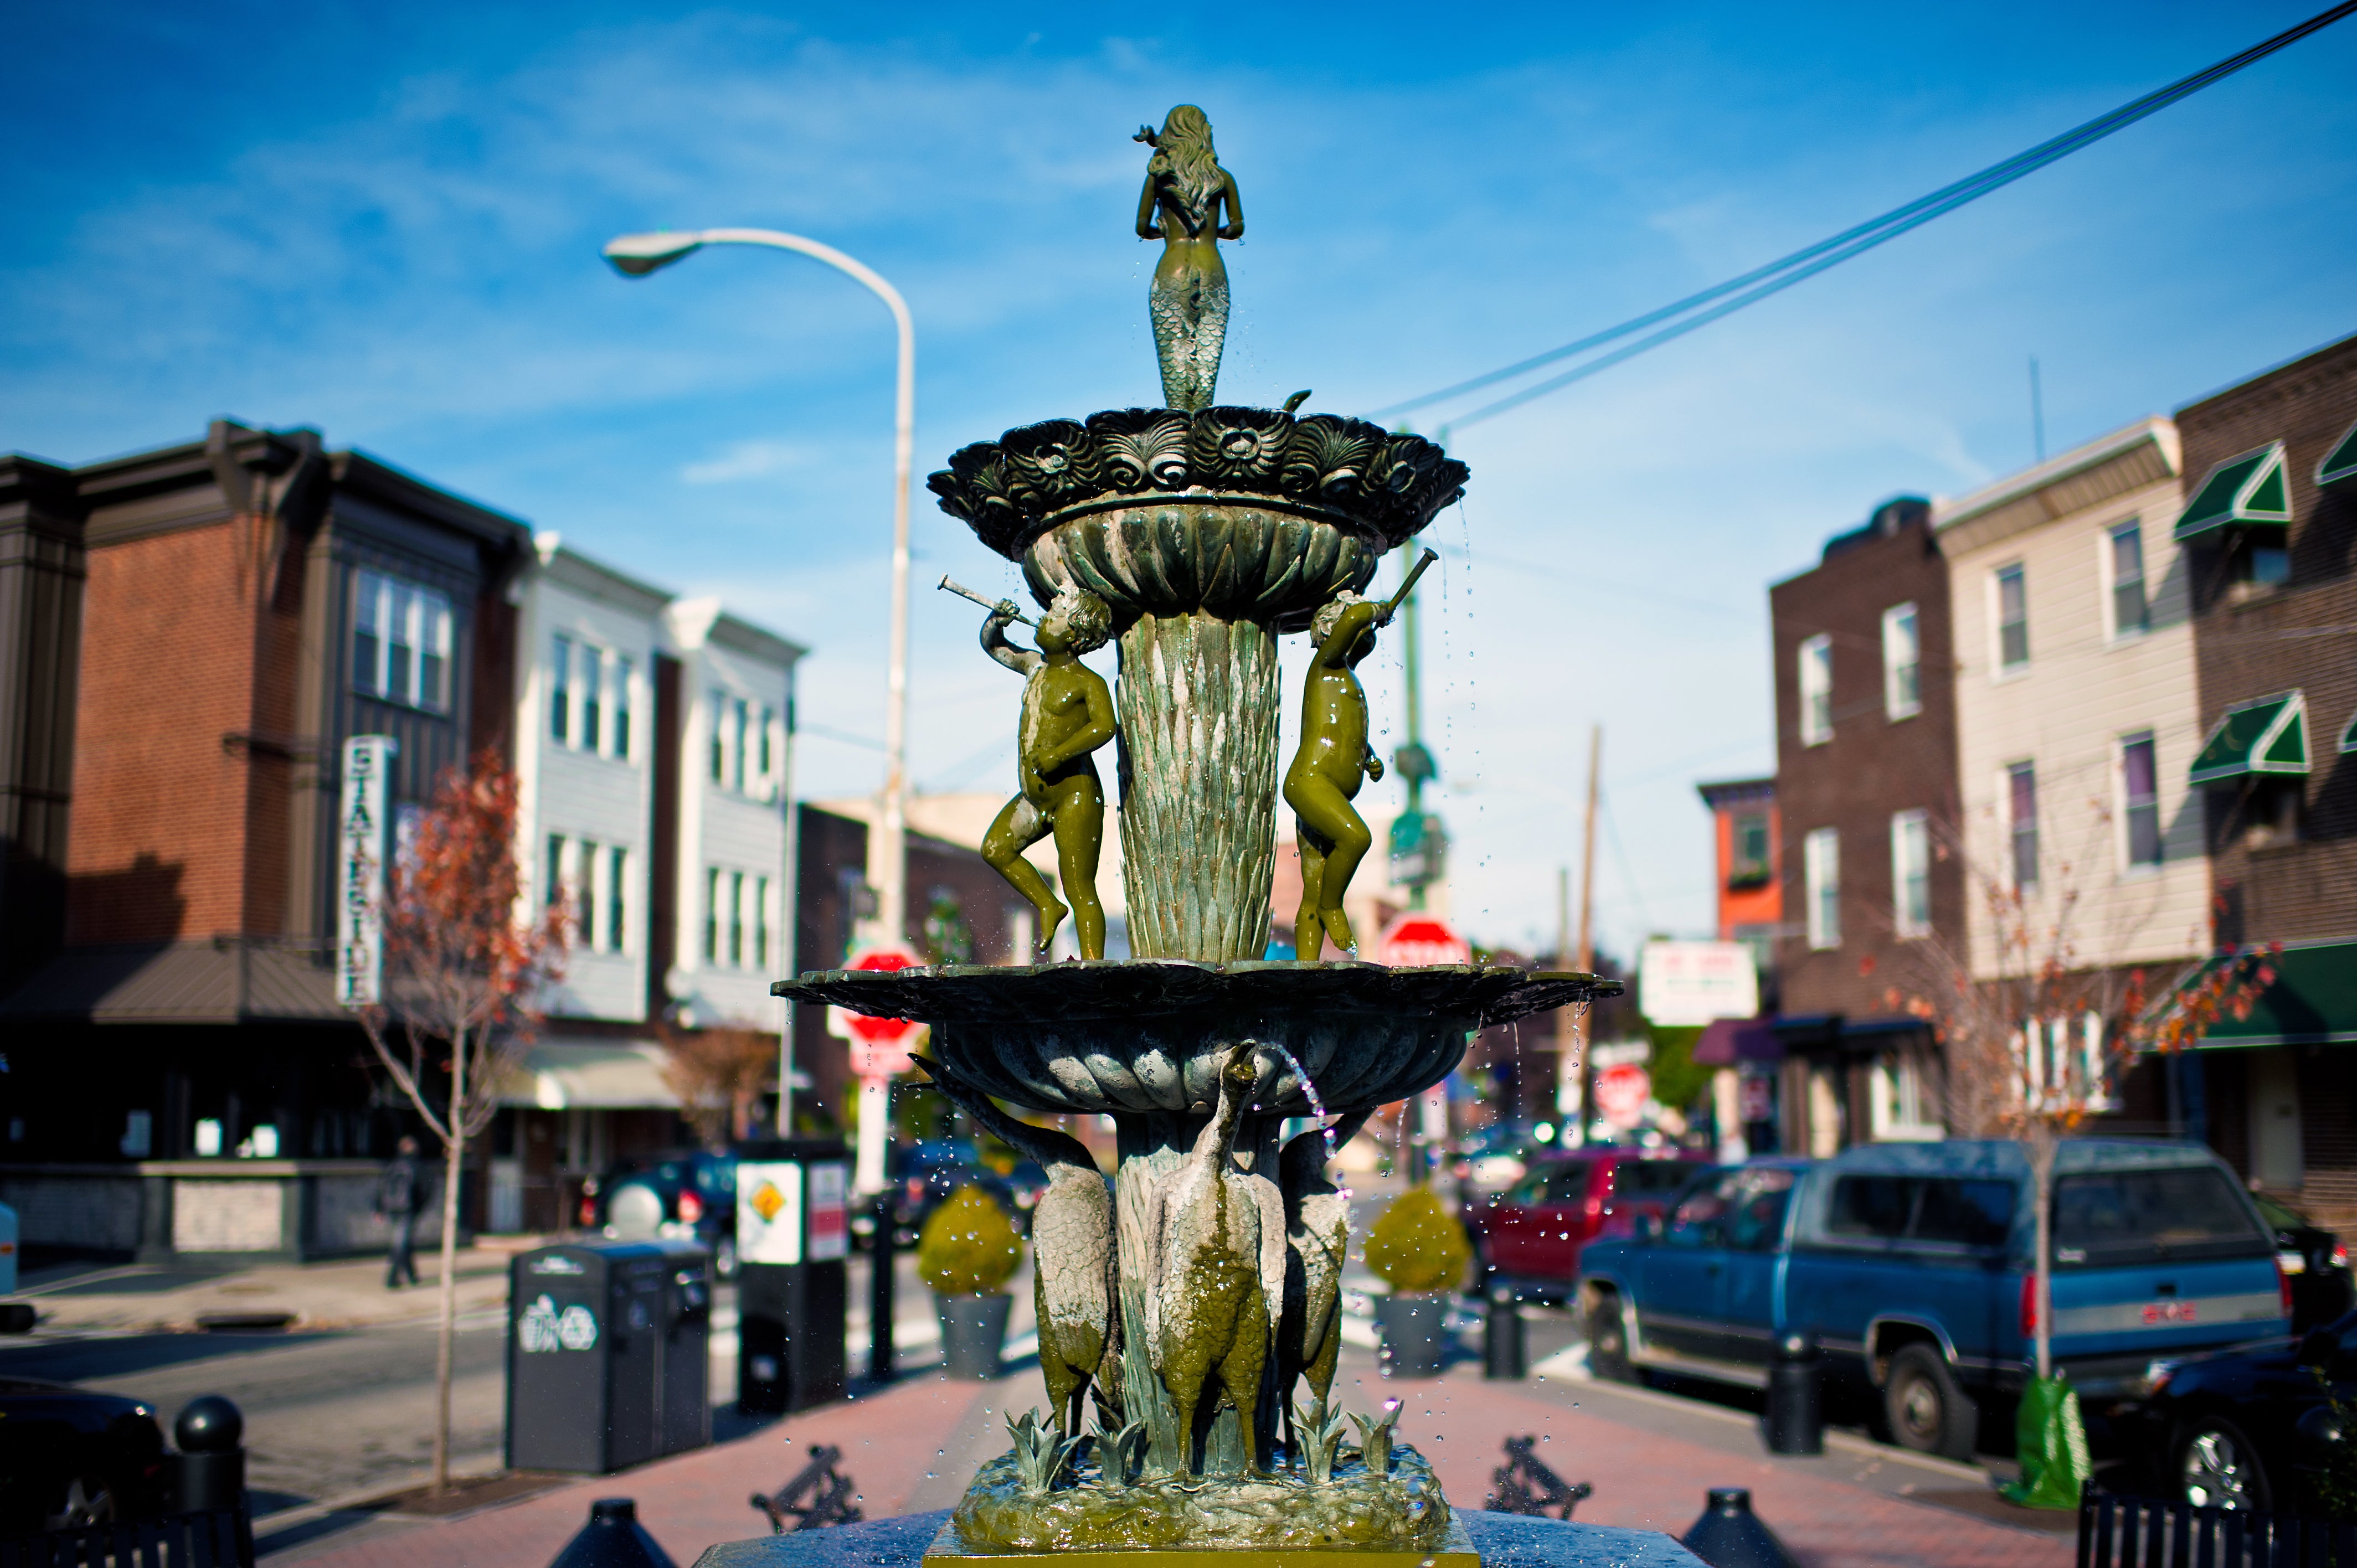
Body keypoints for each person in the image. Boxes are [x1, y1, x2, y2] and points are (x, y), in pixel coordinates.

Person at [979, 584, 1118, 960]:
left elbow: (1106, 726)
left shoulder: (1088, 682)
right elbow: (995, 647)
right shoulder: (1034, 666)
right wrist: (996, 623)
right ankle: (1047, 904)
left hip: (1076, 796)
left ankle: (1093, 966)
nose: (1042, 619)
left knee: (1079, 886)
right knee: (996, 849)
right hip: (1034, 797)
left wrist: (1059, 755)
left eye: (1053, 616)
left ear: (1073, 636)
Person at [1284, 592, 1387, 958]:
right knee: (1356, 838)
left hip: (1329, 790)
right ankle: (1334, 905)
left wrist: (1368, 757)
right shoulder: (1326, 666)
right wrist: (1373, 610)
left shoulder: (1351, 682)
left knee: (1312, 887)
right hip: (1310, 784)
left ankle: (1306, 968)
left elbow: (1345, 733)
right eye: (1361, 627)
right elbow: (1355, 618)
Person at [1134, 105, 1243, 411]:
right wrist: (1213, 233)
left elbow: (1141, 228)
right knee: (1206, 361)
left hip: (1172, 268)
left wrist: (1164, 230)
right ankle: (1204, 425)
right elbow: (1237, 228)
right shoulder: (1222, 178)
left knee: (1175, 359)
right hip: (1213, 269)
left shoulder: (1158, 178)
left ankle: (1179, 425)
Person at [379, 1136, 422, 1289]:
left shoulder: (394, 1165)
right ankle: (391, 1279)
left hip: (392, 1209)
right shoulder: (415, 1166)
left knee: (403, 1242)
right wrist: (418, 1208)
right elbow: (422, 1190)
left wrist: (380, 1208)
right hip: (406, 1209)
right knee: (401, 1244)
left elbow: (383, 1187)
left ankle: (412, 1275)